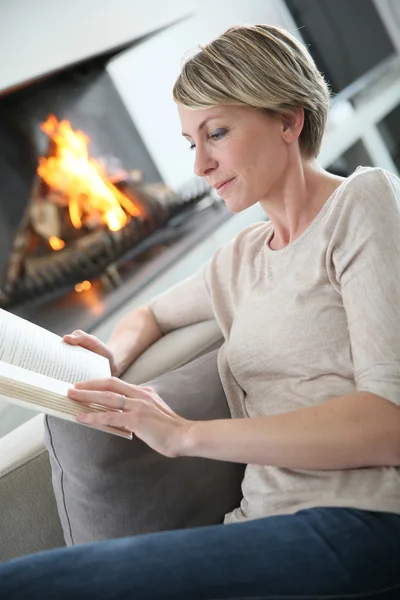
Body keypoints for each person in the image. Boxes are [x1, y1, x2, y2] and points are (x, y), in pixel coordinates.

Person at [1, 23, 400, 599]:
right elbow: (151, 314)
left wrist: (185, 434)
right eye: (192, 142)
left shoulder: (361, 203)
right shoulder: (238, 258)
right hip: (261, 527)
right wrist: (109, 356)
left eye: (217, 132)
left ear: (289, 120)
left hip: (361, 522)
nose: (200, 166)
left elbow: (388, 424)